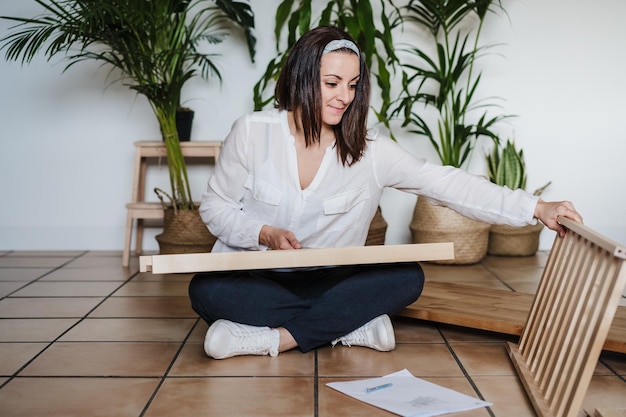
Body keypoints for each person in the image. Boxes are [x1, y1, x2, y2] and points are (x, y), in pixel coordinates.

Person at [188, 26, 582, 360]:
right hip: (259, 277)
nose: (345, 96)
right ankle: (346, 325)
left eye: (353, 85)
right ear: (302, 78)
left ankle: (275, 338)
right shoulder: (252, 132)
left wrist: (536, 207)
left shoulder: (370, 151)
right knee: (205, 290)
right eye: (332, 83)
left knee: (405, 279)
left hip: (332, 280)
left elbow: (446, 183)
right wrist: (263, 233)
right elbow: (215, 207)